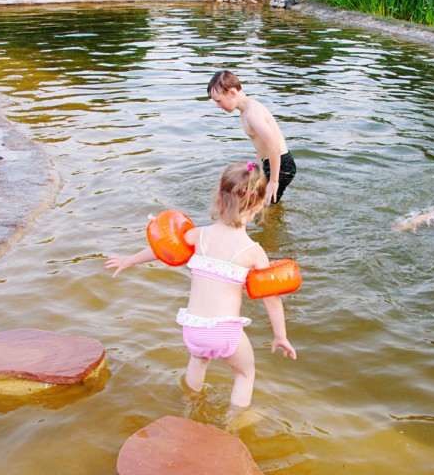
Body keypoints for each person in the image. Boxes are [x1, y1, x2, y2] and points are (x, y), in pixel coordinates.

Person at [104, 161, 297, 408]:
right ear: (259, 205)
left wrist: (128, 260)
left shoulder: (199, 235)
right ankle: (234, 423)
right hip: (225, 331)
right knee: (244, 374)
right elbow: (271, 299)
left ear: (218, 198)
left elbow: (162, 249)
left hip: (193, 328)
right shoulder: (254, 252)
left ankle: (189, 402)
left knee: (199, 361)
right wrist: (280, 336)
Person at [207, 70, 296, 205]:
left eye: (219, 101)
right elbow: (261, 146)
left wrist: (273, 181)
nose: (218, 106)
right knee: (253, 201)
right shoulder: (245, 111)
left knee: (261, 207)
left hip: (281, 165)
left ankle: (273, 223)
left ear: (232, 93)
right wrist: (254, 168)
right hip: (268, 162)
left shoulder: (253, 114)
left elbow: (274, 147)